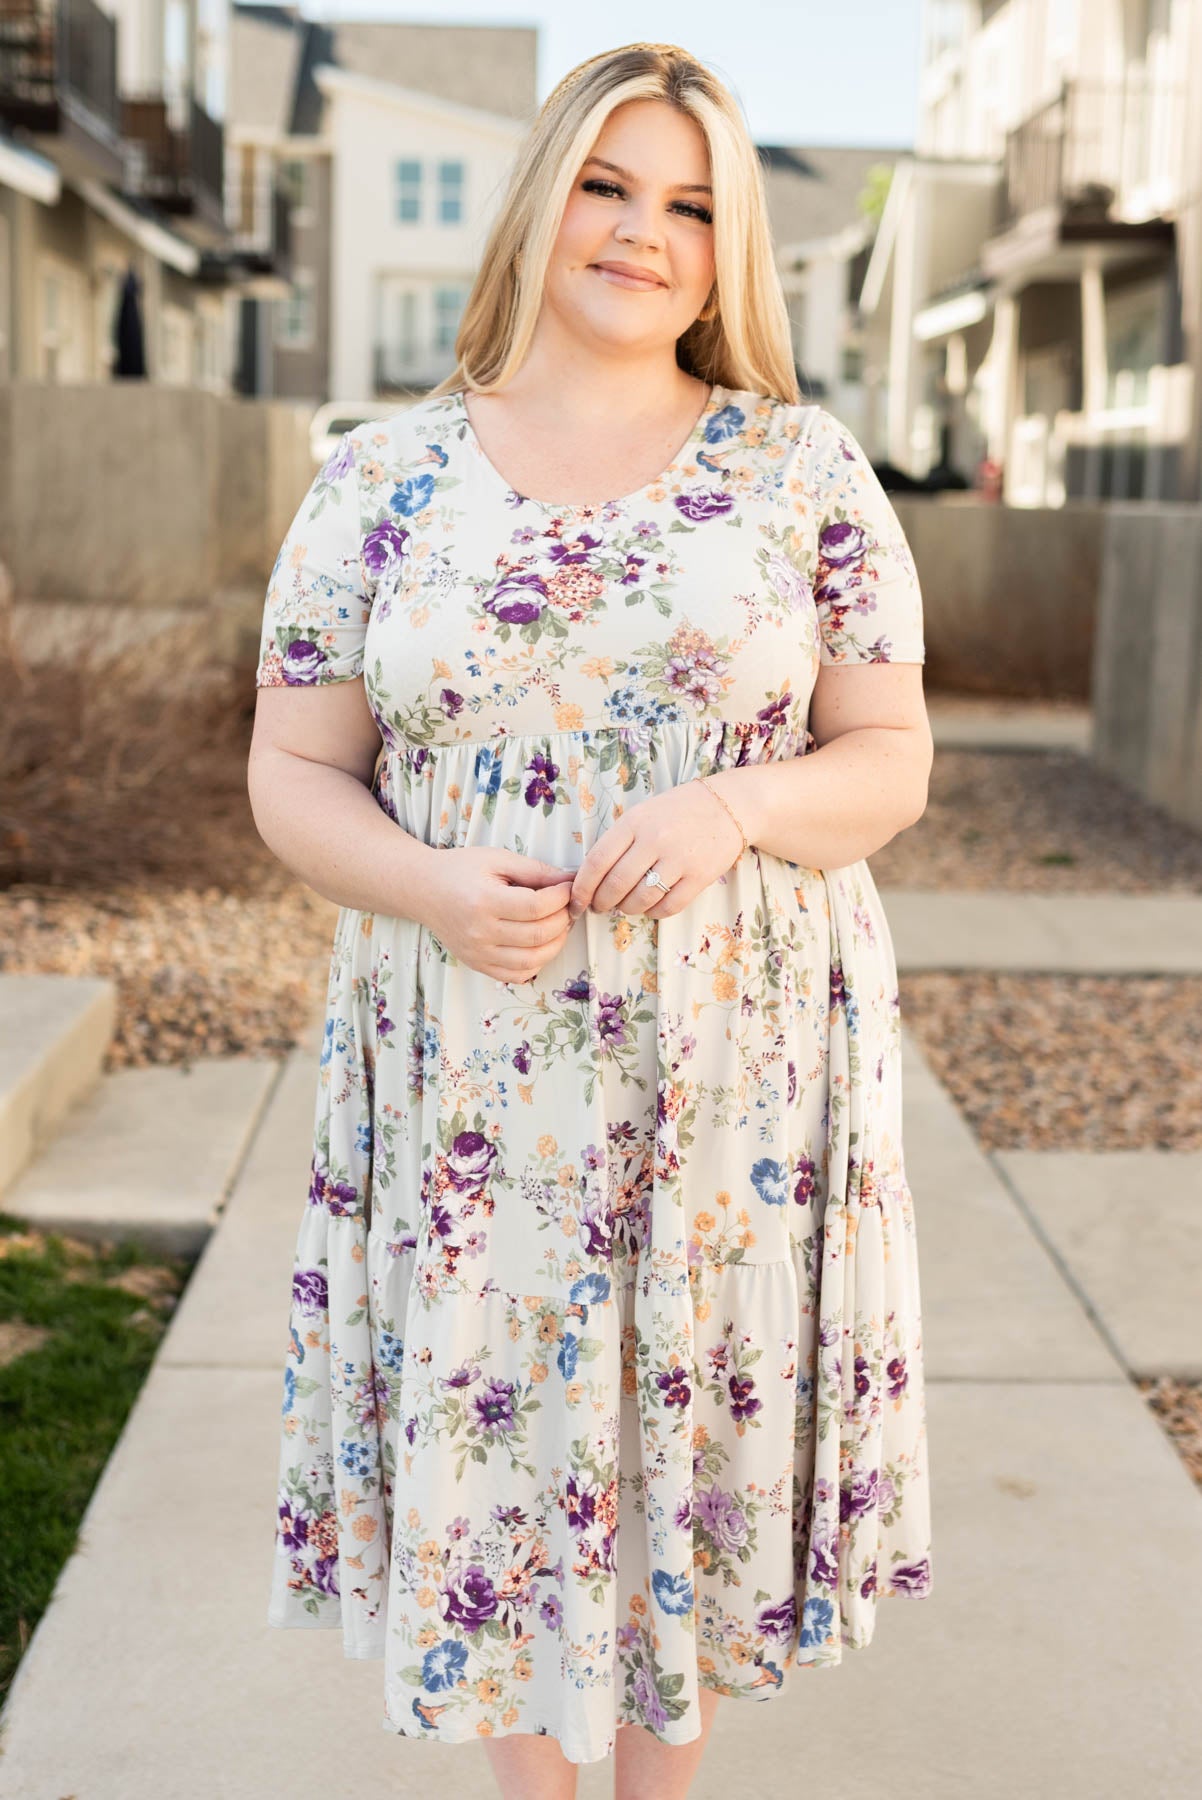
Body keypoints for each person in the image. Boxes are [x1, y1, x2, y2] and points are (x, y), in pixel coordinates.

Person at [248, 40, 934, 1800]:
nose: (644, 233)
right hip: (472, 1066)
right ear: (543, 195)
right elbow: (293, 770)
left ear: (732, 250)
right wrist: (424, 882)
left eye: (692, 205)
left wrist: (737, 803)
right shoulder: (379, 476)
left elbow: (887, 760)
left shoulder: (799, 470)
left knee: (676, 1447)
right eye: (612, 187)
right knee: (495, 1434)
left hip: (732, 1073)